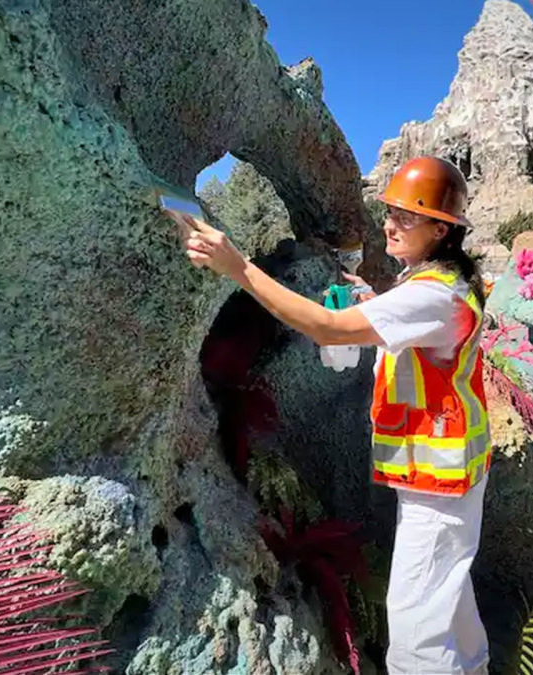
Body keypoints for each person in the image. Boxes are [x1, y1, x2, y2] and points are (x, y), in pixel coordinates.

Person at [179, 156, 491, 674]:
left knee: (416, 630)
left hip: (439, 481)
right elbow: (417, 330)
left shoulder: (432, 295)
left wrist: (238, 268)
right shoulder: (443, 281)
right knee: (448, 596)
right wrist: (373, 302)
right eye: (389, 212)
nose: (390, 224)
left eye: (406, 217)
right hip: (452, 471)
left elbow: (327, 327)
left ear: (441, 229)